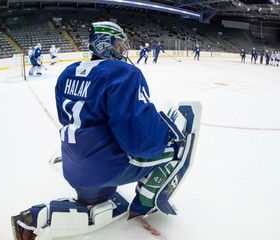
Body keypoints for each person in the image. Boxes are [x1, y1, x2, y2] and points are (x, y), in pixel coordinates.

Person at [11, 21, 197, 239]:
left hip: (73, 167)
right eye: (118, 45)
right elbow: (140, 140)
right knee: (178, 146)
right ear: (104, 43)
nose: (122, 50)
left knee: (97, 197)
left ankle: (46, 214)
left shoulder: (67, 73)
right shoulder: (123, 73)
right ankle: (145, 202)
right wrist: (164, 133)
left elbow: (66, 118)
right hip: (105, 169)